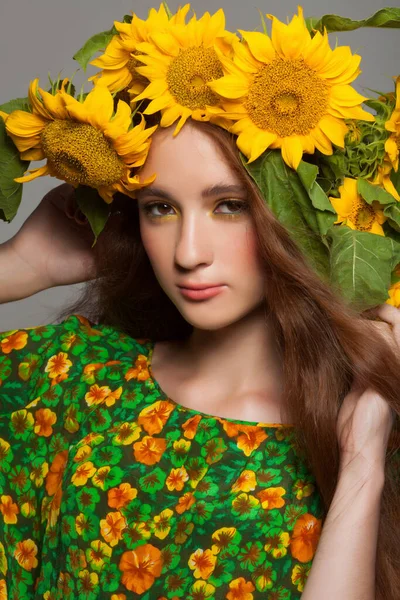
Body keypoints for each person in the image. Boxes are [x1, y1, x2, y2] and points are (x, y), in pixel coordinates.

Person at [0, 119, 399, 600]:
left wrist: (362, 460)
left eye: (230, 206)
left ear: (311, 214)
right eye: (161, 208)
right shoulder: (74, 374)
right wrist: (19, 267)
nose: (188, 253)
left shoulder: (365, 434)